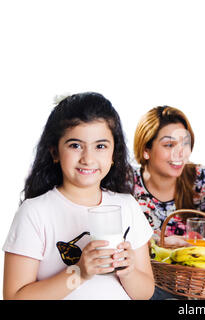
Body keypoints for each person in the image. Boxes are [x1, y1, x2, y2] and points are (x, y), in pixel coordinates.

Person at [2, 92, 154, 300]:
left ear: (113, 155)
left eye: (100, 146)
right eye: (75, 145)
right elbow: (13, 297)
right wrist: (79, 272)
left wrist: (128, 272)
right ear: (55, 152)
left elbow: (145, 293)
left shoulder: (127, 206)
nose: (88, 158)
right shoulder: (35, 213)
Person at [133, 105, 205, 247]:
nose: (180, 153)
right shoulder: (125, 185)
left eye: (185, 143)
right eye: (169, 145)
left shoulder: (203, 180)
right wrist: (162, 243)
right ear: (146, 150)